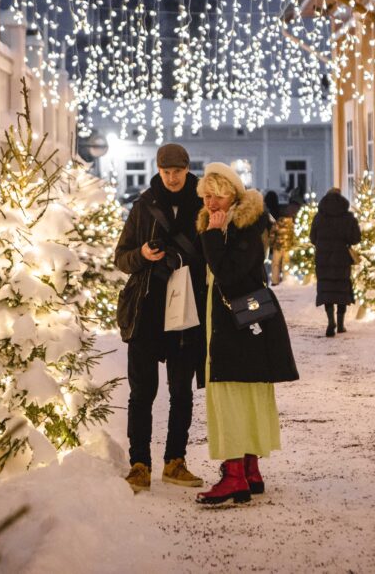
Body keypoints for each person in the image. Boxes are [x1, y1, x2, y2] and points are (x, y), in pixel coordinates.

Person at [195, 163, 299, 505]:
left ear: (234, 195)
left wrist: (212, 235)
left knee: (231, 394)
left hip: (237, 326)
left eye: (218, 196)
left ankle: (235, 475)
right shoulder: (231, 225)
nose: (211, 204)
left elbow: (228, 274)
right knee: (246, 392)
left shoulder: (245, 226)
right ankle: (250, 469)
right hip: (240, 324)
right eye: (207, 196)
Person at [114, 143, 207, 493]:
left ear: (186, 170)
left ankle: (175, 461)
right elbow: (120, 259)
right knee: (142, 392)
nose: (172, 177)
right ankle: (139, 464)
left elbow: (211, 254)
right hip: (146, 310)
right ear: (158, 169)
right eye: (166, 171)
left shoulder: (201, 204)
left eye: (178, 172)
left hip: (186, 309)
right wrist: (141, 254)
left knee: (181, 391)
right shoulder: (143, 206)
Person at [310, 187, 361, 337]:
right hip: (342, 259)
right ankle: (340, 324)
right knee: (341, 290)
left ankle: (330, 320)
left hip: (323, 259)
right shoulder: (348, 217)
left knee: (327, 290)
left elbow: (313, 238)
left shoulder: (319, 217)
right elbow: (356, 238)